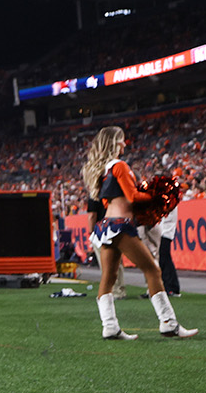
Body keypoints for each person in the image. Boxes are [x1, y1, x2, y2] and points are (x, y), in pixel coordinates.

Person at [82, 126, 196, 339]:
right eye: (121, 140)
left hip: (105, 225)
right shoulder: (119, 166)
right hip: (120, 225)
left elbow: (107, 201)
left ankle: (110, 326)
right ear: (114, 143)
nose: (124, 144)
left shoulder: (104, 170)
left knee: (108, 277)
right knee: (153, 270)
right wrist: (156, 196)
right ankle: (168, 323)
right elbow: (133, 197)